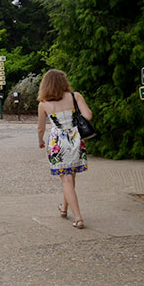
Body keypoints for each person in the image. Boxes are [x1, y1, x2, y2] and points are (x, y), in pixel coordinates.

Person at [36, 69, 93, 229]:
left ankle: (78, 218)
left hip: (57, 142)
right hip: (75, 139)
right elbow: (88, 115)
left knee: (66, 179)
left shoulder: (43, 104)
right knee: (70, 177)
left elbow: (40, 128)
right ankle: (64, 208)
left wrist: (40, 141)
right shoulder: (76, 96)